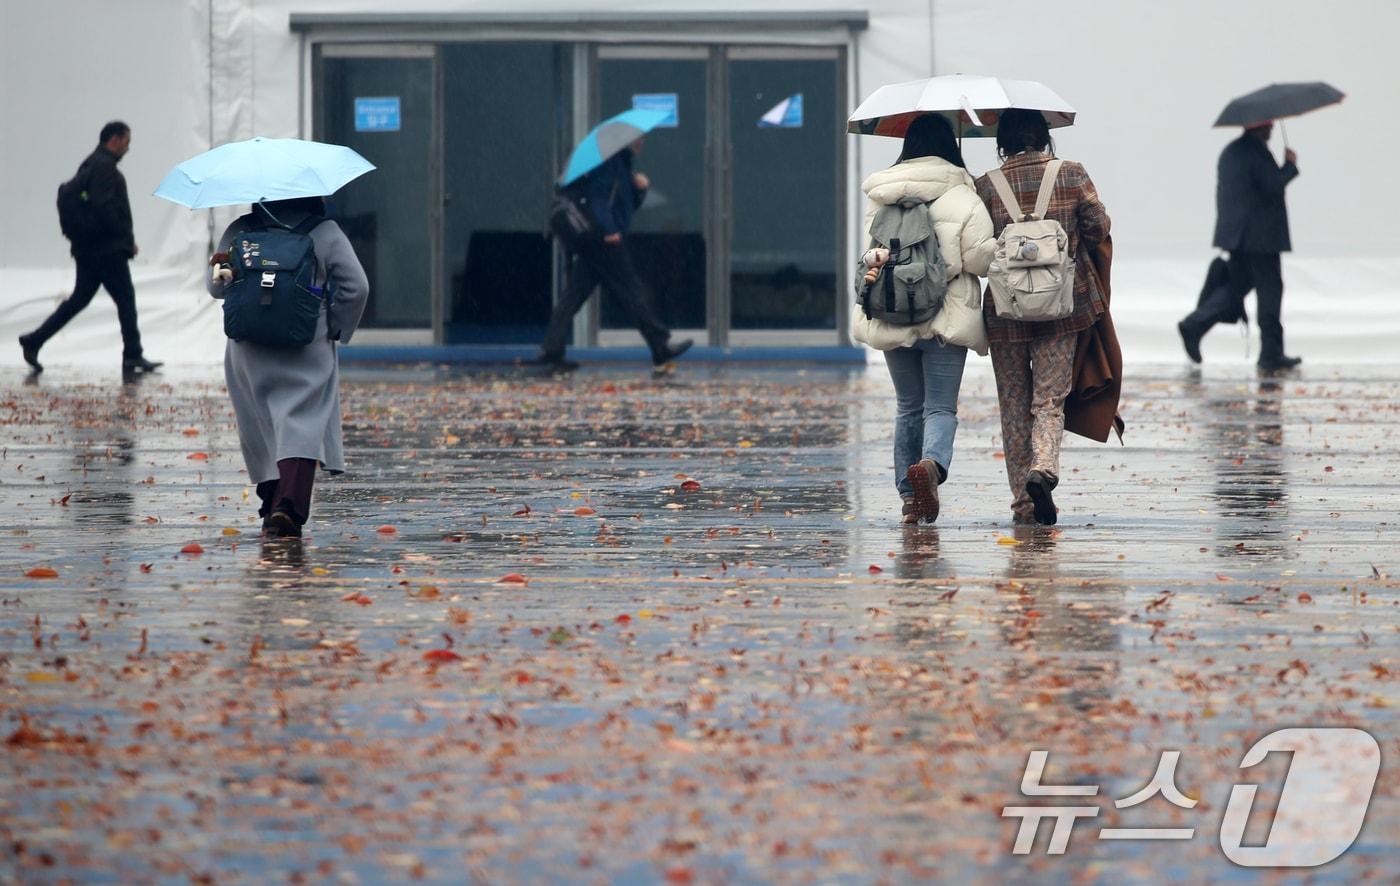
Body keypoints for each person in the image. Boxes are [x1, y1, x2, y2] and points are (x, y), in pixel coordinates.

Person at [854, 114, 995, 524]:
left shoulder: (882, 193)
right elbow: (978, 259)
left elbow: (871, 253)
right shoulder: (963, 195)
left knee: (907, 406)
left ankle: (907, 497)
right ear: (949, 148)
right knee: (939, 407)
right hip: (945, 314)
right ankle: (931, 466)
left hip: (892, 311)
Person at [974, 109, 1111, 526]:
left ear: (1003, 143)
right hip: (1061, 310)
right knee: (1049, 400)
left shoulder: (985, 186)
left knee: (1014, 406)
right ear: (1045, 138)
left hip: (1005, 313)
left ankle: (1024, 503)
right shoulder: (1070, 174)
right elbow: (1098, 226)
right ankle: (1044, 468)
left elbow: (978, 248)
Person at [207, 197, 369, 538]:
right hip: (306, 341)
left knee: (260, 424)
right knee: (302, 420)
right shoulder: (326, 232)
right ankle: (289, 507)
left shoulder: (239, 230)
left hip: (248, 345)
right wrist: (336, 326)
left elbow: (216, 287)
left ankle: (269, 503)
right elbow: (357, 288)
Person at [535, 136, 692, 372]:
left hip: (597, 239)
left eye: (643, 138)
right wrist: (609, 231)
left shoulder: (622, 164)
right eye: (637, 139)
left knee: (575, 294)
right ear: (624, 140)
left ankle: (552, 349)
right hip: (604, 239)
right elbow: (599, 198)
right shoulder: (610, 162)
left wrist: (640, 189)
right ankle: (660, 345)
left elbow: (626, 208)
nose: (642, 142)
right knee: (632, 290)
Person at [19, 121, 162, 374]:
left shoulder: (92, 163)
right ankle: (133, 354)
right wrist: (124, 238)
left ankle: (34, 340)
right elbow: (103, 205)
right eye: (127, 142)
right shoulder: (103, 166)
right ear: (115, 139)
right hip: (105, 250)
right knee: (126, 299)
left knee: (80, 299)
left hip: (89, 249)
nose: (128, 148)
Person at [1178, 121, 1301, 370]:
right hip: (1261, 239)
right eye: (1268, 126)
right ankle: (1271, 352)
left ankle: (1195, 324)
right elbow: (1272, 186)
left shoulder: (1231, 152)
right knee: (1270, 291)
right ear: (1259, 127)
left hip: (1238, 236)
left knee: (1236, 287)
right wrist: (1289, 165)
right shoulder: (1256, 152)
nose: (1272, 130)